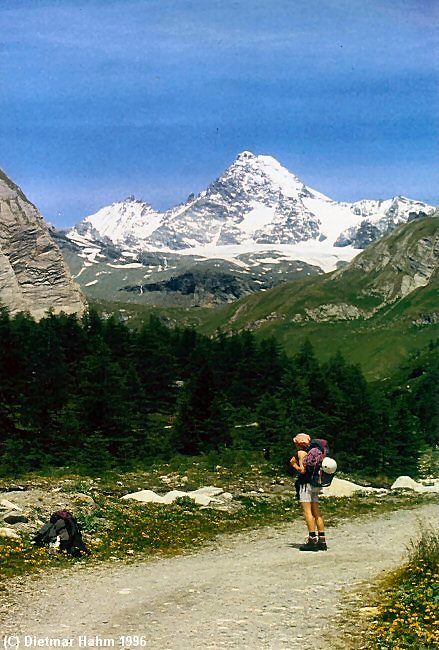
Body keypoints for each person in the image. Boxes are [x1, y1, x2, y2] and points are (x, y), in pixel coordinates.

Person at [290, 433, 327, 551]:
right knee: (316, 512)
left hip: (306, 484)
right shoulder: (315, 452)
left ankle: (312, 540)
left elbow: (302, 470)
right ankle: (322, 540)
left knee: (307, 512)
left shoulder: (301, 453)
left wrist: (294, 465)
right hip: (316, 483)